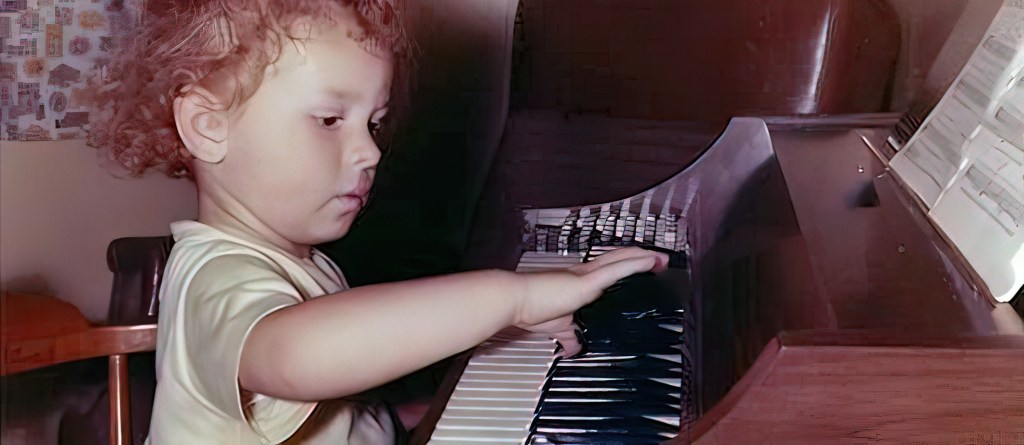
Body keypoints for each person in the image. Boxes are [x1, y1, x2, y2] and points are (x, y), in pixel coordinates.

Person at [86, 1, 669, 443]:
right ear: (208, 127)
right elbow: (295, 357)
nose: (370, 152)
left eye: (375, 123)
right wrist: (513, 297)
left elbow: (334, 407)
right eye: (329, 119)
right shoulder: (213, 277)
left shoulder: (304, 261)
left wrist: (411, 414)